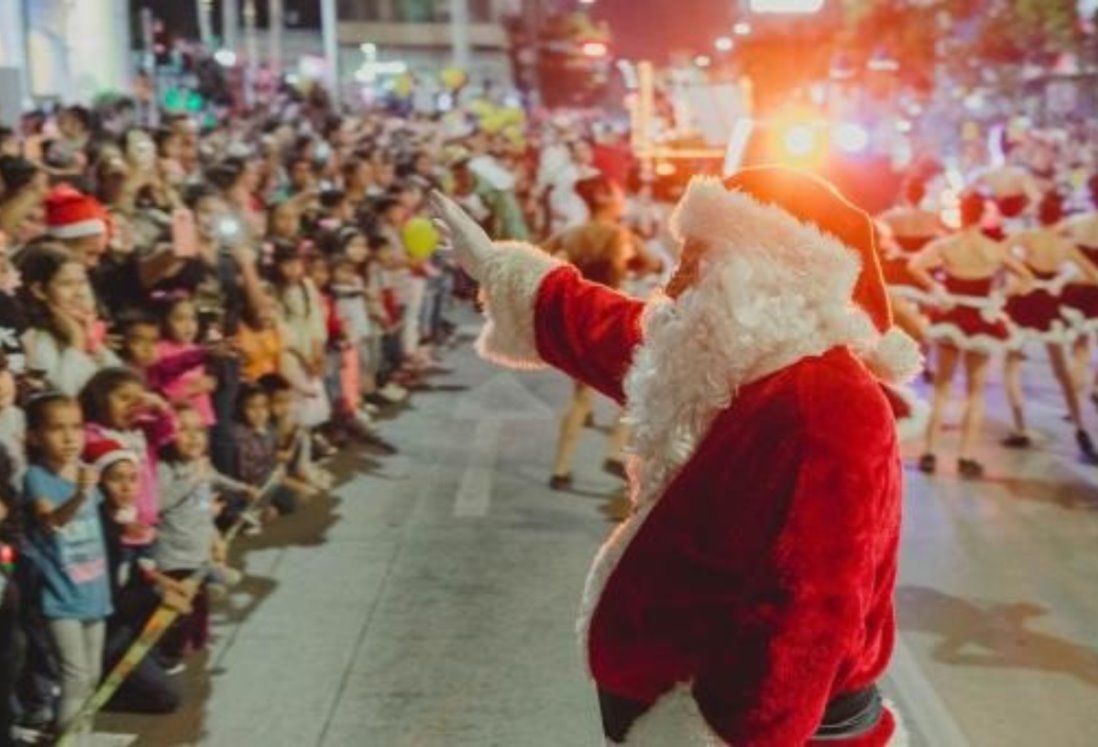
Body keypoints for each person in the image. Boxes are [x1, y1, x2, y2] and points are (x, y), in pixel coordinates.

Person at [430, 167, 920, 745]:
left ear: (764, 277)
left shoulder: (826, 406)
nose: (676, 278)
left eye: (699, 257)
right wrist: (496, 267)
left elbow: (807, 617)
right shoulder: (735, 357)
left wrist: (715, 733)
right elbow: (612, 332)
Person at [909, 192, 1033, 478]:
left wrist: (937, 289)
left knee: (941, 387)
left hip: (952, 315)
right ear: (981, 216)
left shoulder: (946, 244)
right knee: (975, 392)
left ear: (961, 214)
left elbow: (914, 266)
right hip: (981, 318)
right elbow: (1026, 277)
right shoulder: (995, 248)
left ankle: (929, 452)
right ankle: (965, 456)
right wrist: (1001, 294)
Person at [21, 393, 111, 737]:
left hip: (94, 593)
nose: (70, 437)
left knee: (92, 676)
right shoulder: (37, 477)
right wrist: (78, 496)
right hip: (60, 598)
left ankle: (80, 736)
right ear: (34, 436)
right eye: (57, 429)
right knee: (74, 678)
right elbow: (50, 522)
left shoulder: (85, 473)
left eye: (76, 427)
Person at [542, 174, 637, 490]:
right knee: (634, 391)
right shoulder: (618, 234)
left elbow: (538, 257)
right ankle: (615, 452)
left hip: (578, 318)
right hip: (612, 317)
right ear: (606, 199)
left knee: (580, 397)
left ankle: (560, 469)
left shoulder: (570, 233)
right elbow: (648, 263)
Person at [1001, 191, 1098, 456]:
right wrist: (1061, 281)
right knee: (1061, 370)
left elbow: (1000, 253)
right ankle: (1080, 427)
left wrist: (1021, 274)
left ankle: (1019, 426)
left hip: (1023, 303)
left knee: (1011, 365)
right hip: (1048, 306)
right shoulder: (1064, 244)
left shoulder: (1026, 237)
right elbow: (1093, 275)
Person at [17, 242, 120, 395]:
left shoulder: (91, 335)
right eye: (67, 284)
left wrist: (95, 346)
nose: (80, 293)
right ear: (39, 291)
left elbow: (121, 384)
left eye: (82, 282)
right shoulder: (38, 342)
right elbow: (66, 395)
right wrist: (76, 340)